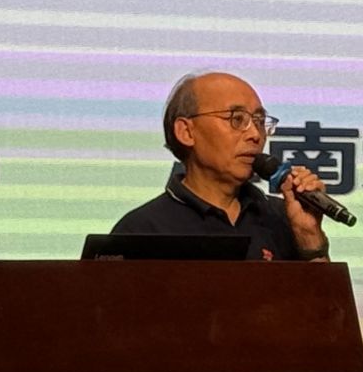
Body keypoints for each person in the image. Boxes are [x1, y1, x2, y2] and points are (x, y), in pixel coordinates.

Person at [111, 71, 332, 261]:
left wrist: (309, 237)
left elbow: (327, 299)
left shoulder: (282, 218)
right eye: (237, 119)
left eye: (259, 121)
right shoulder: (142, 230)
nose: (255, 135)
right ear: (186, 132)